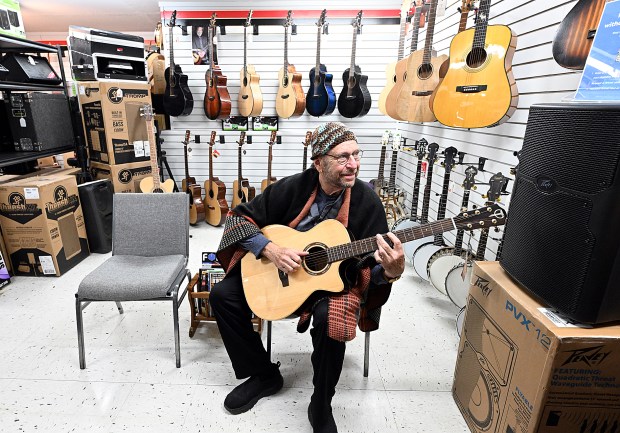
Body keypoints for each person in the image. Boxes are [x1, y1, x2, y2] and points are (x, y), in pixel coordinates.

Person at [210, 122, 405, 433]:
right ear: (319, 163)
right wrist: (269, 248)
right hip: (280, 275)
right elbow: (238, 217)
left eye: (356, 155)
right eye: (342, 158)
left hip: (336, 282)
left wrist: (392, 271)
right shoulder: (290, 188)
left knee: (331, 318)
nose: (352, 165)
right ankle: (263, 375)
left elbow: (374, 269)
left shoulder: (367, 200)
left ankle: (321, 401)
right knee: (223, 296)